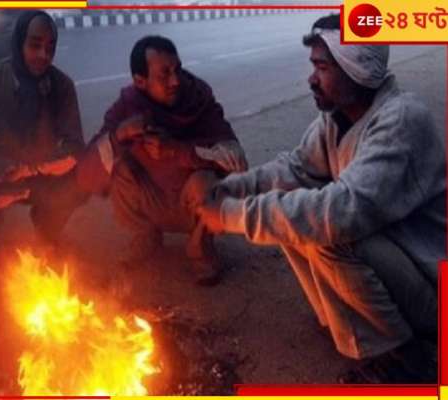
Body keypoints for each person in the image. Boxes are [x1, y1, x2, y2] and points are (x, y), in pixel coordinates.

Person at [197, 14, 443, 382]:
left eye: (322, 67)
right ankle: (343, 324)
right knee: (295, 202)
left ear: (356, 70)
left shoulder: (402, 120)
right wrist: (232, 189)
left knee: (327, 230)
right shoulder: (338, 117)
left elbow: (341, 213)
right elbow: (295, 169)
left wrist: (231, 216)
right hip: (399, 263)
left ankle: (403, 356)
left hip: (432, 287)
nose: (312, 78)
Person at [75, 35, 247, 282]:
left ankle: (201, 247)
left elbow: (237, 160)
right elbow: (86, 173)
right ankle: (146, 235)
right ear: (140, 81)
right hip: (151, 199)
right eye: (163, 74)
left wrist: (177, 150)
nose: (175, 81)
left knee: (207, 182)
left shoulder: (198, 98)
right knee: (116, 162)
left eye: (176, 69)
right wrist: (120, 135)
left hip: (193, 204)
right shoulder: (127, 106)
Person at [0, 10, 87, 247]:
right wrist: (7, 169)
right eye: (35, 45)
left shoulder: (61, 86)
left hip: (43, 174)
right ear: (18, 42)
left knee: (85, 177)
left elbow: (75, 144)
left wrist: (40, 167)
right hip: (0, 177)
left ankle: (47, 228)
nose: (44, 55)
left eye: (50, 47)